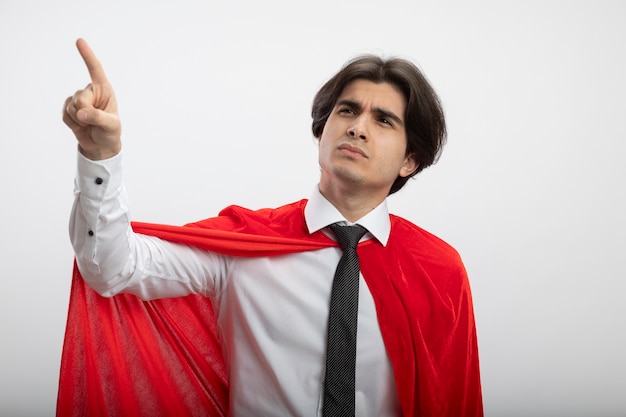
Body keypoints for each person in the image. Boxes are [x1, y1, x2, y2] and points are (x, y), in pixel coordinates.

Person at [59, 38, 483, 417]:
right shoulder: (245, 243)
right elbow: (111, 267)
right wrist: (100, 155)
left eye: (384, 120)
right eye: (347, 110)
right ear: (322, 130)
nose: (357, 127)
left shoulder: (438, 269)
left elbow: (454, 399)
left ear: (411, 159)